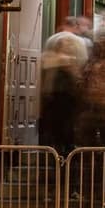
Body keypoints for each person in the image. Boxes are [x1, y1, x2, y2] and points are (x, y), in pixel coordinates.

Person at [39, 19, 87, 154]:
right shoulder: (79, 42)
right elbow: (84, 62)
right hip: (70, 91)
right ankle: (67, 149)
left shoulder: (52, 41)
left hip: (53, 90)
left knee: (55, 122)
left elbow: (44, 68)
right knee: (68, 121)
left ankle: (56, 149)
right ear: (75, 26)